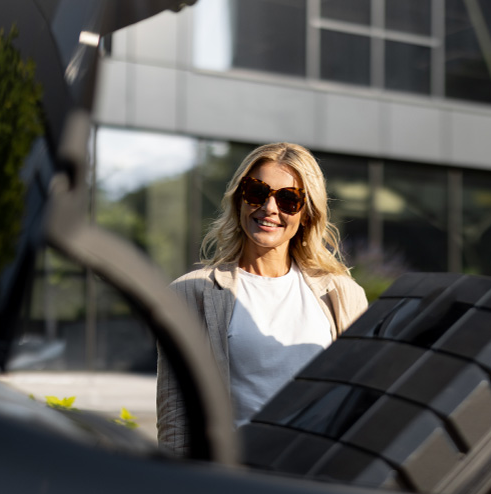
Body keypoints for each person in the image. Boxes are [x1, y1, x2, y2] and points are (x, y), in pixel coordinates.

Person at [157, 142, 368, 455]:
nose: (269, 208)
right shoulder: (191, 294)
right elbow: (175, 415)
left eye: (288, 199)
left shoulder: (342, 294)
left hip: (317, 474)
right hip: (236, 480)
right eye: (257, 191)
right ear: (240, 199)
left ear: (307, 214)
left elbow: (360, 402)